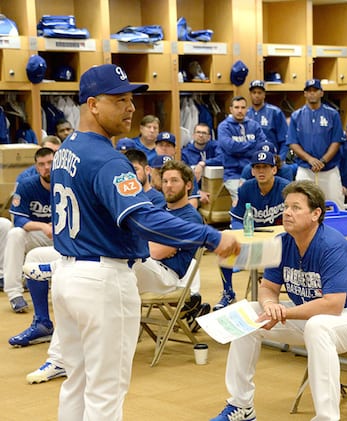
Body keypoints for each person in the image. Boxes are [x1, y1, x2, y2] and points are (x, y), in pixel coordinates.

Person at [49, 64, 239, 420]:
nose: (131, 107)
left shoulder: (66, 147)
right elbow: (144, 219)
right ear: (92, 105)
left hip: (68, 274)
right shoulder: (108, 159)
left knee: (76, 380)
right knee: (106, 390)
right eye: (119, 100)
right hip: (102, 279)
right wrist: (210, 235)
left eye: (131, 99)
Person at [15, 159, 209, 383]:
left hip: (164, 277)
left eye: (174, 181)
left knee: (121, 257)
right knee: (79, 284)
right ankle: (58, 360)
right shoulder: (158, 210)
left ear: (188, 185)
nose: (168, 185)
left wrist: (138, 241)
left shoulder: (189, 217)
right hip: (135, 267)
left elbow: (155, 252)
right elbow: (139, 241)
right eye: (165, 181)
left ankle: (59, 268)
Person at [210, 180, 347, 421]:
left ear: (316, 214)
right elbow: (268, 287)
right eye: (286, 207)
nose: (287, 213)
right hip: (316, 314)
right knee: (249, 314)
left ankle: (326, 418)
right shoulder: (283, 242)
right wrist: (270, 306)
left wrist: (283, 313)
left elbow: (333, 305)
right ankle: (241, 405)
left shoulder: (331, 246)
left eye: (296, 207)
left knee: (318, 327)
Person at [216, 150, 290, 310]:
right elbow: (237, 219)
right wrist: (239, 238)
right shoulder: (246, 189)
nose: (261, 171)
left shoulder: (286, 188)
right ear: (252, 171)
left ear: (274, 170)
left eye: (265, 167)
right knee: (224, 246)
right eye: (257, 167)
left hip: (282, 242)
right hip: (255, 240)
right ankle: (228, 292)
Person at [4, 147, 55, 313]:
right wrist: (42, 226)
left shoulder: (69, 184)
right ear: (36, 167)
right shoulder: (27, 185)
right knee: (15, 234)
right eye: (41, 164)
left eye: (50, 162)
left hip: (63, 233)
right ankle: (14, 294)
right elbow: (18, 219)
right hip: (39, 233)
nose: (46, 167)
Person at [288, 79, 345, 207]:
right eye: (309, 91)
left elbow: (336, 141)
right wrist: (310, 159)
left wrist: (323, 161)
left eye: (315, 90)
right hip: (305, 169)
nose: (312, 93)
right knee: (300, 204)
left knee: (337, 204)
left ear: (321, 93)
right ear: (305, 94)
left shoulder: (332, 114)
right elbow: (293, 142)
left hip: (329, 169)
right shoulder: (296, 116)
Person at [218, 96, 268, 204]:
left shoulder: (254, 125)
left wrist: (240, 149)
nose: (240, 110)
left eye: (243, 107)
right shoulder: (224, 127)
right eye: (236, 107)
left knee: (262, 200)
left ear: (247, 109)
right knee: (242, 200)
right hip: (233, 173)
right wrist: (252, 145)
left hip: (255, 172)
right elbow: (230, 148)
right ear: (231, 109)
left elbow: (263, 147)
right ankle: (238, 221)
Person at [246, 79, 289, 160]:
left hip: (272, 159)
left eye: (259, 93)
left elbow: (285, 140)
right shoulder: (245, 114)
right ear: (250, 94)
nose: (256, 95)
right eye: (254, 92)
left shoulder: (275, 112)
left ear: (264, 94)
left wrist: (281, 159)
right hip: (250, 160)